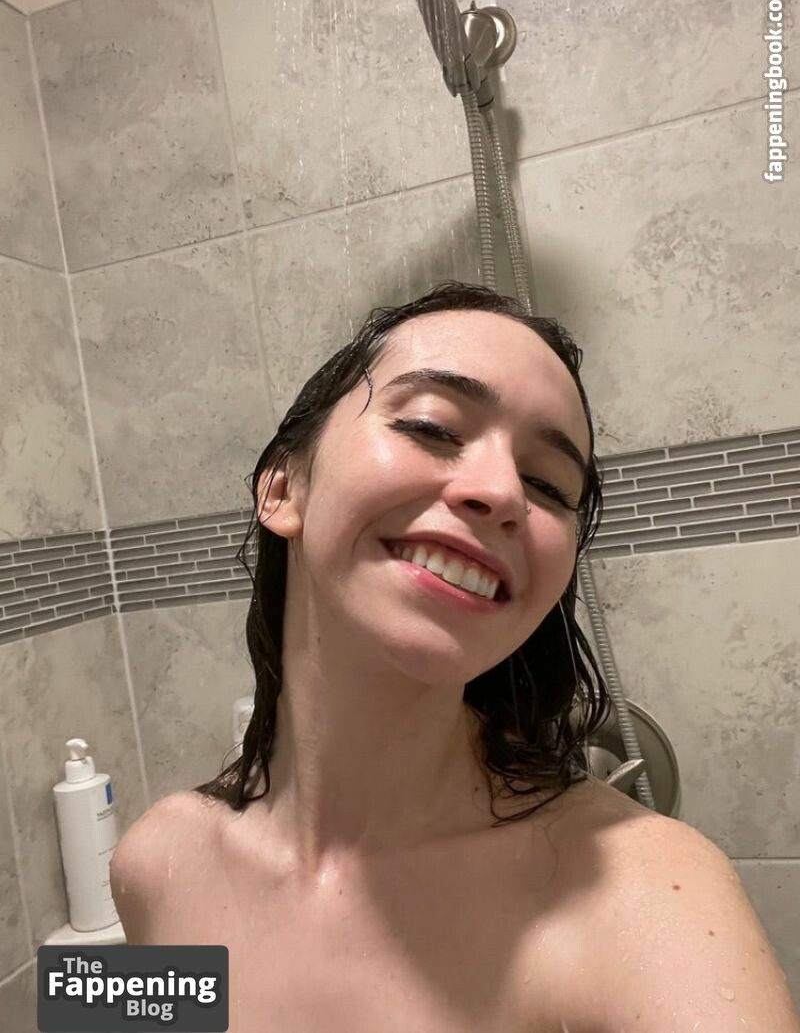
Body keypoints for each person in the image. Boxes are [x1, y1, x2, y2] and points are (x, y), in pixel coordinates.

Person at [111, 281, 800, 1032]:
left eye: (548, 485)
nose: (502, 491)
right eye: (433, 427)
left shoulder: (648, 895)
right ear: (282, 487)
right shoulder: (154, 865)